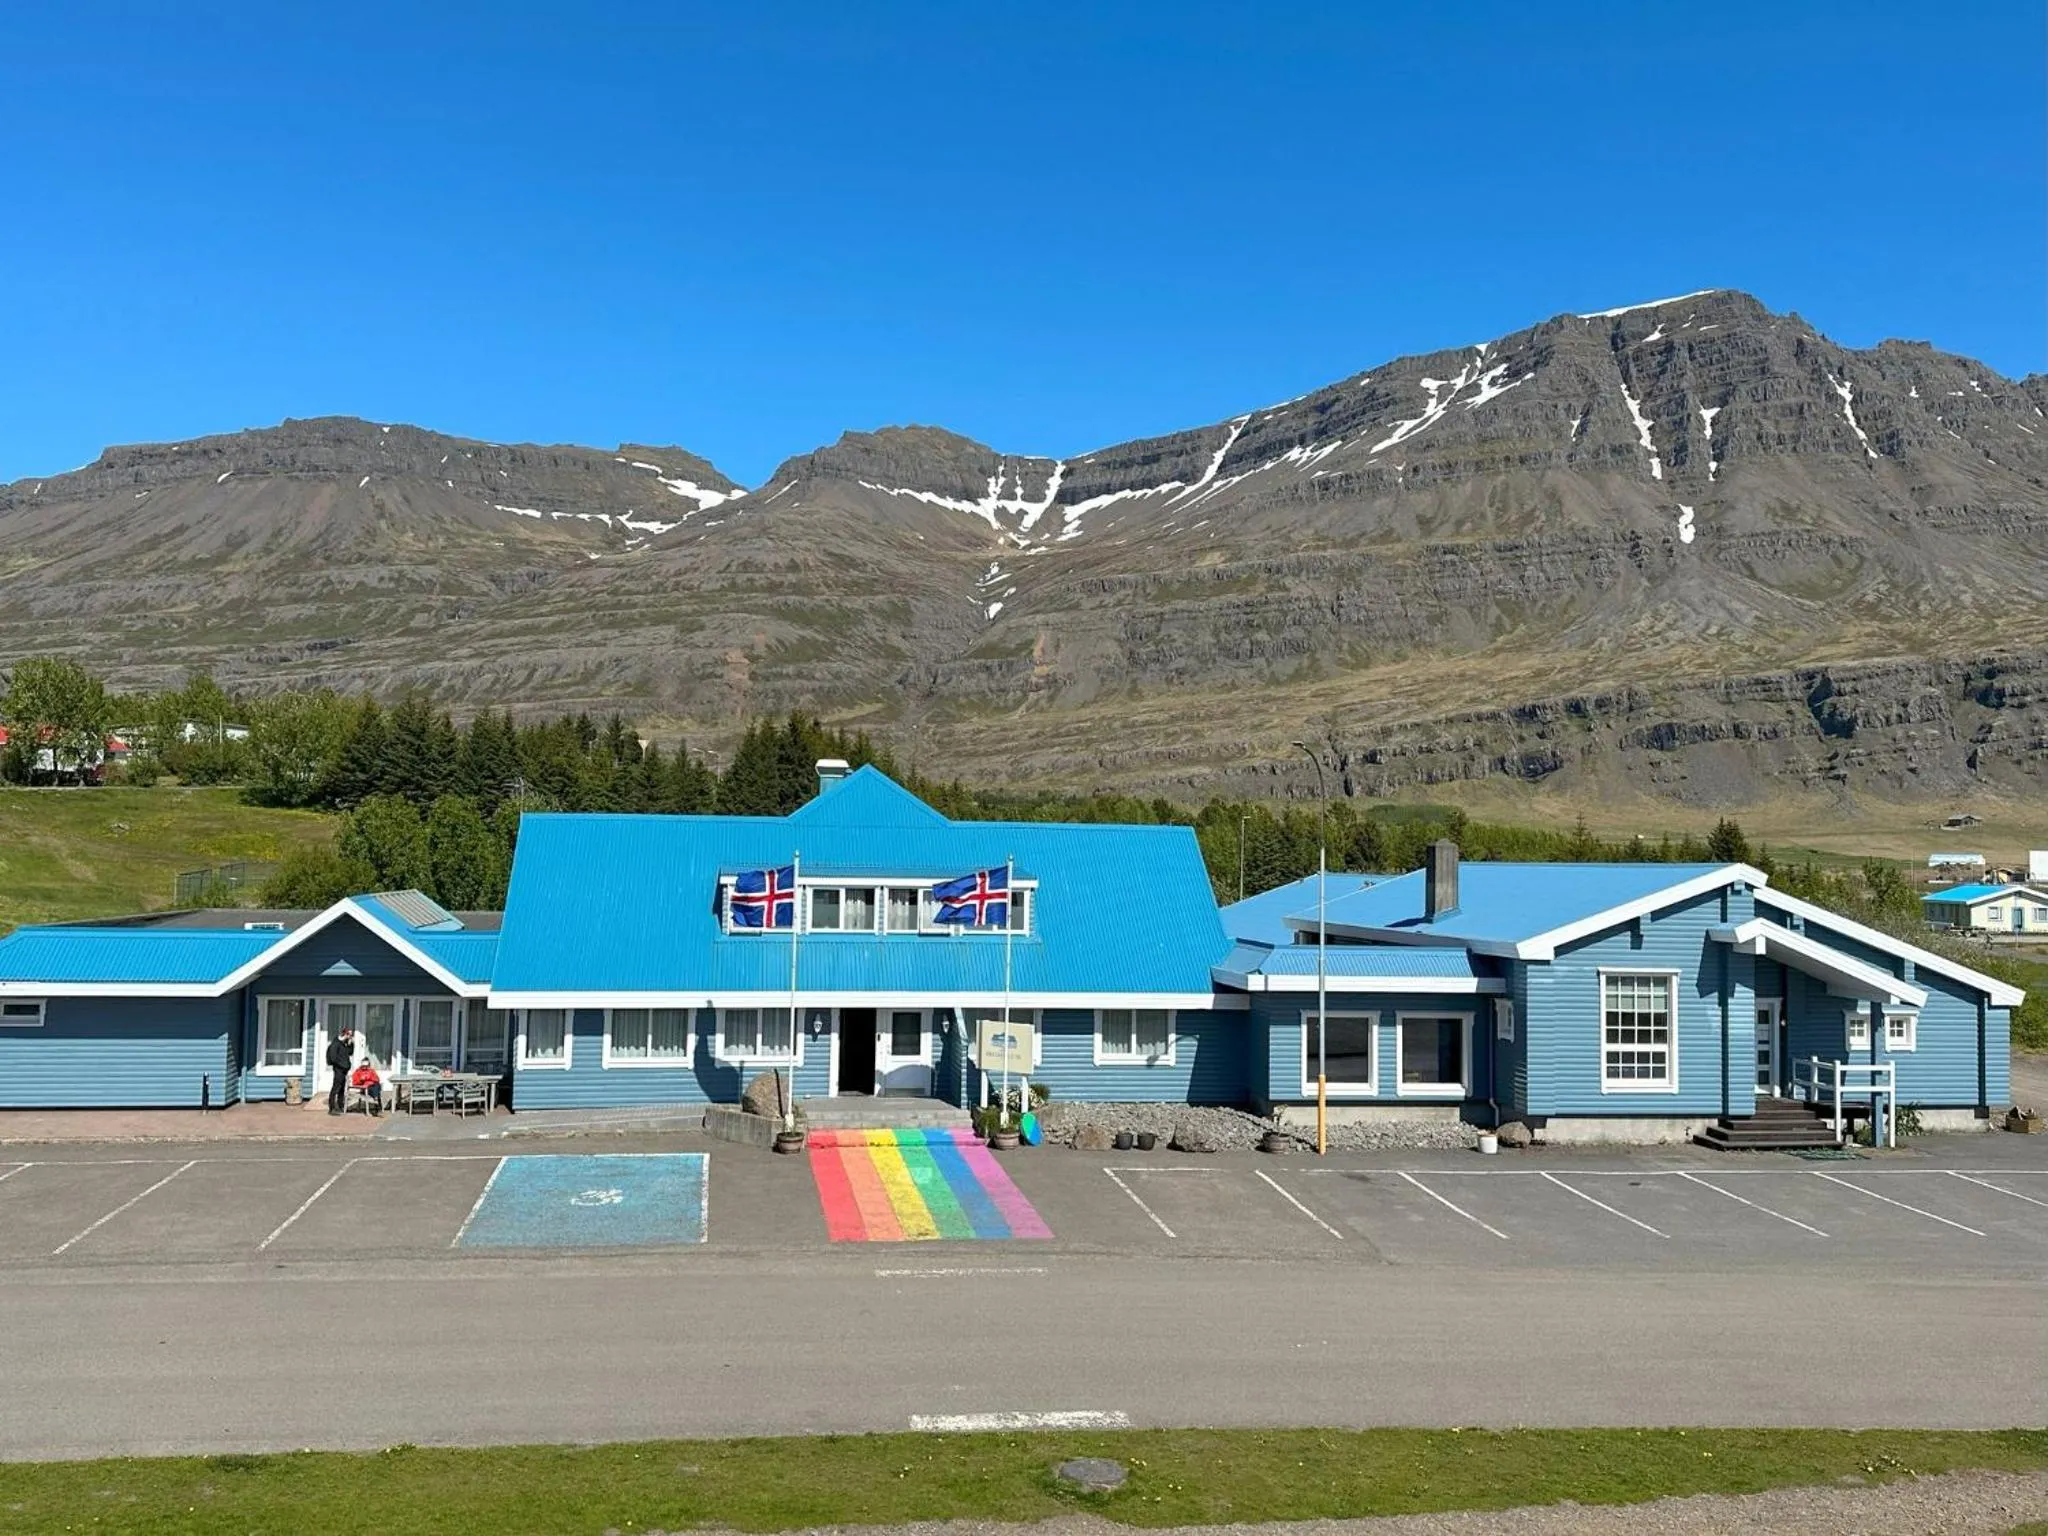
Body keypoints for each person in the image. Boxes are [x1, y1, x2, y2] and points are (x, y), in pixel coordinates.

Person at [324, 1027, 355, 1116]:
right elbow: (333, 1058)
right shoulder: (335, 1044)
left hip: (344, 1070)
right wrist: (343, 1065)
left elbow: (350, 1052)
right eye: (350, 1035)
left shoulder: (344, 1043)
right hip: (338, 1070)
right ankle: (332, 1108)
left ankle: (340, 1106)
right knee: (336, 1088)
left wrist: (351, 1044)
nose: (351, 1036)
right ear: (345, 1034)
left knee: (342, 1089)